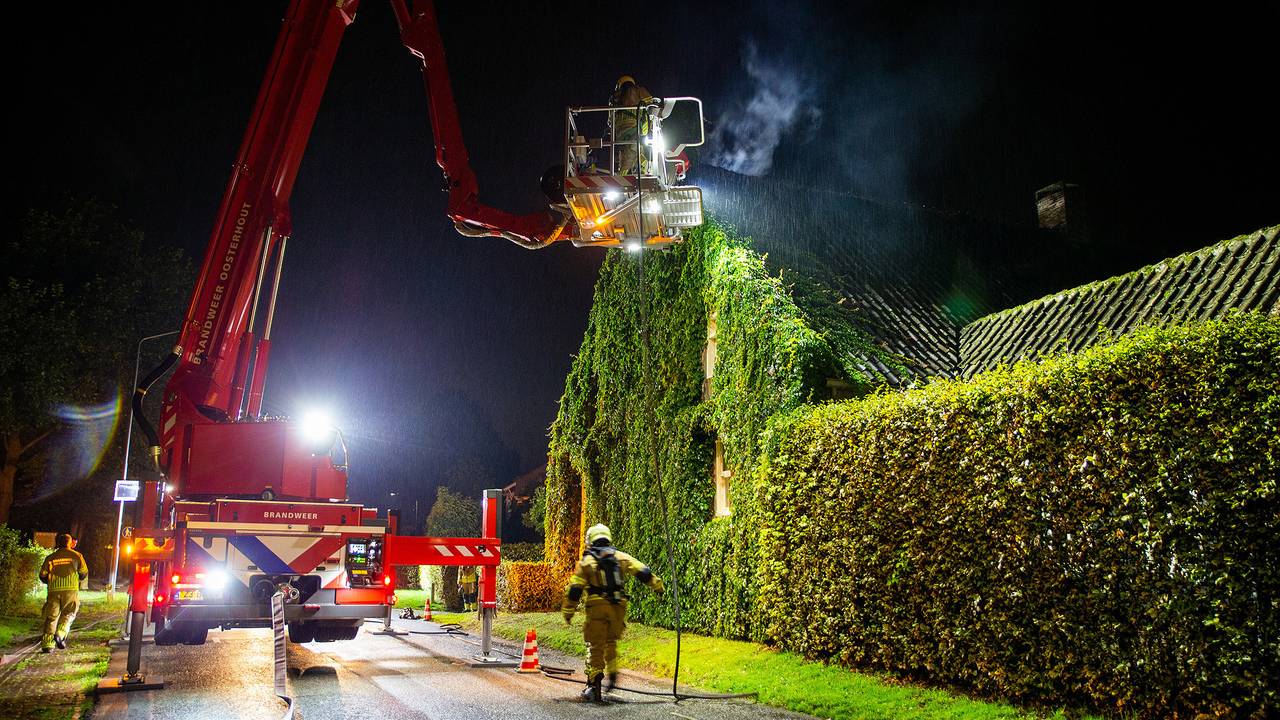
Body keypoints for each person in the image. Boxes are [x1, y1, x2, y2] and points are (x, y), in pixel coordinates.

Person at [562, 523, 664, 702]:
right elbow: (642, 571)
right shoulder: (620, 557)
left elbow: (575, 589)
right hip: (618, 607)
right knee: (611, 642)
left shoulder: (587, 562)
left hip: (596, 607)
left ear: (591, 541)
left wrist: (568, 612)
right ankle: (613, 672)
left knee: (595, 645)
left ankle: (594, 685)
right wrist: (657, 585)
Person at [39, 533, 88, 652]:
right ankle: (60, 634)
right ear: (69, 543)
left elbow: (42, 575)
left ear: (58, 543)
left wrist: (50, 582)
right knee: (69, 614)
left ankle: (47, 645)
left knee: (51, 617)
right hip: (70, 591)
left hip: (53, 591)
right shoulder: (77, 556)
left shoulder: (50, 557)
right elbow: (83, 573)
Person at [609, 75, 656, 176]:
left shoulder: (614, 98)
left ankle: (626, 173)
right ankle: (639, 171)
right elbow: (651, 106)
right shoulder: (639, 90)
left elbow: (610, 121)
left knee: (628, 151)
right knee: (636, 149)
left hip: (619, 132)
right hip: (635, 127)